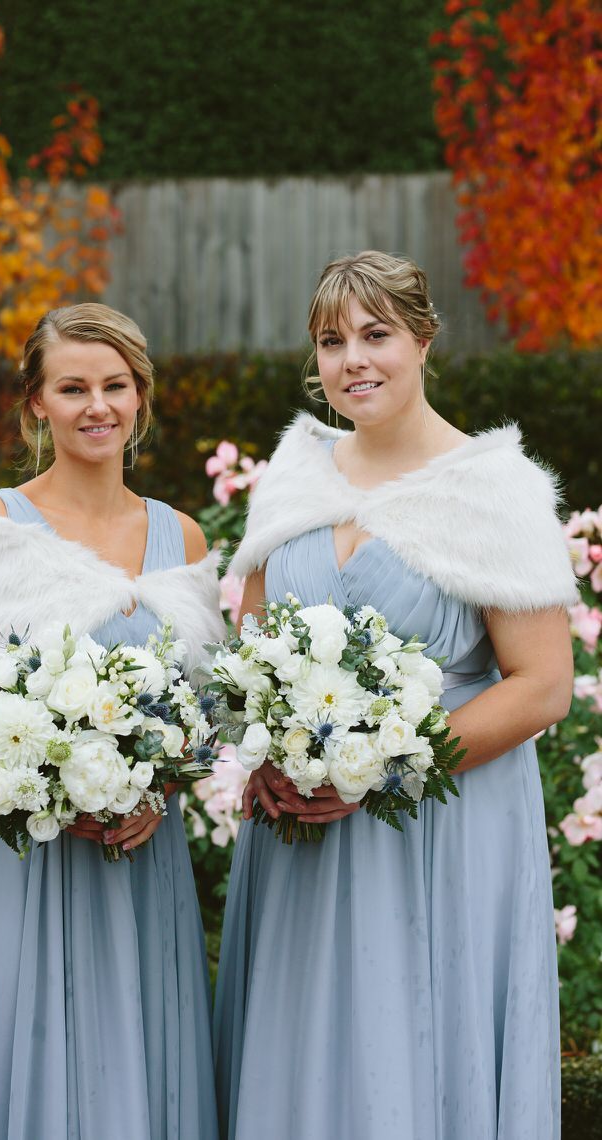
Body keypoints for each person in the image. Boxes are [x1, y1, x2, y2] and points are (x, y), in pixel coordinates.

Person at [213, 251, 577, 1140]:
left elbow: (542, 686)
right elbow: (253, 647)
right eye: (333, 341)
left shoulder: (492, 488)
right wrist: (263, 758)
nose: (354, 360)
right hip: (301, 825)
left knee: (415, 1037)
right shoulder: (295, 472)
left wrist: (382, 770)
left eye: (376, 334)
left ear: (422, 338)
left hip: (435, 826)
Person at [0, 303, 225, 1140]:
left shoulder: (183, 537)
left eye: (114, 385)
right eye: (73, 388)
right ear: (37, 402)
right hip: (16, 860)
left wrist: (160, 780)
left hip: (138, 862)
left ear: (140, 396)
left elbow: (205, 711)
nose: (96, 406)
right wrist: (47, 778)